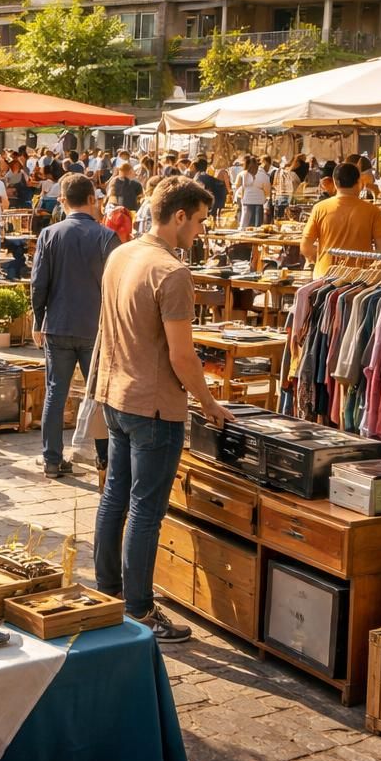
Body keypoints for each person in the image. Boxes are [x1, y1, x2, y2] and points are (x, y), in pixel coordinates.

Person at [92, 177, 232, 643]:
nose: (200, 231)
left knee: (115, 495)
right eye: (198, 221)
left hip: (115, 393)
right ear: (178, 217)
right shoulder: (171, 272)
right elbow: (181, 355)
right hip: (152, 405)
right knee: (145, 509)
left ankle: (109, 592)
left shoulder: (121, 253)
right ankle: (139, 609)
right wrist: (208, 402)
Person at [30, 173, 120, 477]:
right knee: (100, 395)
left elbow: (38, 283)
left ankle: (52, 459)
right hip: (96, 326)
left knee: (56, 392)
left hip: (58, 324)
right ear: (93, 200)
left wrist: (38, 319)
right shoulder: (107, 237)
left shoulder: (50, 234)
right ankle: (104, 459)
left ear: (62, 201)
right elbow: (118, 286)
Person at [300, 162, 381, 276]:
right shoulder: (373, 211)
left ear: (335, 182)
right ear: (359, 182)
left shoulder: (320, 208)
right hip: (359, 280)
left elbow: (305, 247)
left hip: (324, 276)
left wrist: (323, 257)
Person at [233, 154, 270, 228]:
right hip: (259, 202)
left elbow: (236, 187)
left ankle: (242, 237)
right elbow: (267, 190)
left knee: (244, 223)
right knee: (257, 225)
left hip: (246, 201)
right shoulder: (263, 175)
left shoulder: (242, 174)